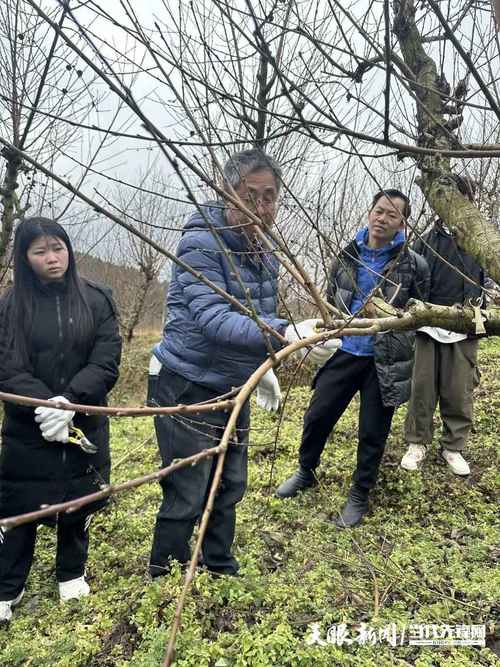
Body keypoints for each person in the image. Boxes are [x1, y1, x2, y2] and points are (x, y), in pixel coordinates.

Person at [148, 148, 337, 577]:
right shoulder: (199, 243)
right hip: (187, 383)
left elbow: (254, 317)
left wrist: (266, 364)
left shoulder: (264, 252)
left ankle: (218, 565)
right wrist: (286, 334)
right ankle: (164, 573)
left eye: (270, 197)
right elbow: (216, 318)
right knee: (188, 487)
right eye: (251, 196)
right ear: (227, 193)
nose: (262, 207)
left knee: (230, 483)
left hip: (235, 385)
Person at [275, 189, 430, 528]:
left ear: (403, 223)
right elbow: (331, 298)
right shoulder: (347, 255)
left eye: (392, 215)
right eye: (378, 211)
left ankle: (359, 494)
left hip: (384, 358)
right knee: (317, 414)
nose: (382, 218)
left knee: (373, 431)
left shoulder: (413, 264)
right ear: (369, 213)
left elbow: (420, 312)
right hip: (346, 351)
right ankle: (306, 470)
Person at [0, 217, 121, 622]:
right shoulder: (10, 306)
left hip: (83, 418)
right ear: (24, 257)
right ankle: (7, 586)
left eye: (59, 248)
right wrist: (43, 404)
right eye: (40, 252)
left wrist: (70, 401)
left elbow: (106, 361)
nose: (53, 259)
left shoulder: (97, 299)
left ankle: (71, 571)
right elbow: (6, 366)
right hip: (27, 425)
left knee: (78, 498)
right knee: (21, 503)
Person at [400, 184, 486, 476]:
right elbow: (411, 278)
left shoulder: (481, 240)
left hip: (466, 325)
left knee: (459, 390)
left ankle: (453, 447)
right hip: (430, 325)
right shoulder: (426, 241)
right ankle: (417, 443)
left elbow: (489, 280)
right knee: (422, 387)